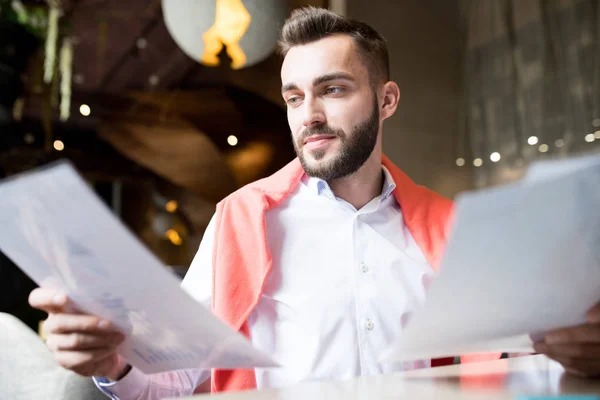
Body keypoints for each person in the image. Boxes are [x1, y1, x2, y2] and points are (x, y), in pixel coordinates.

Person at [29, 7, 600, 399]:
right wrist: (114, 366)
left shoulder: (449, 227)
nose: (309, 115)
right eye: (294, 97)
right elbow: (177, 382)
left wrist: (577, 354)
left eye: (333, 89)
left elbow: (517, 367)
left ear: (387, 99)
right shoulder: (240, 220)